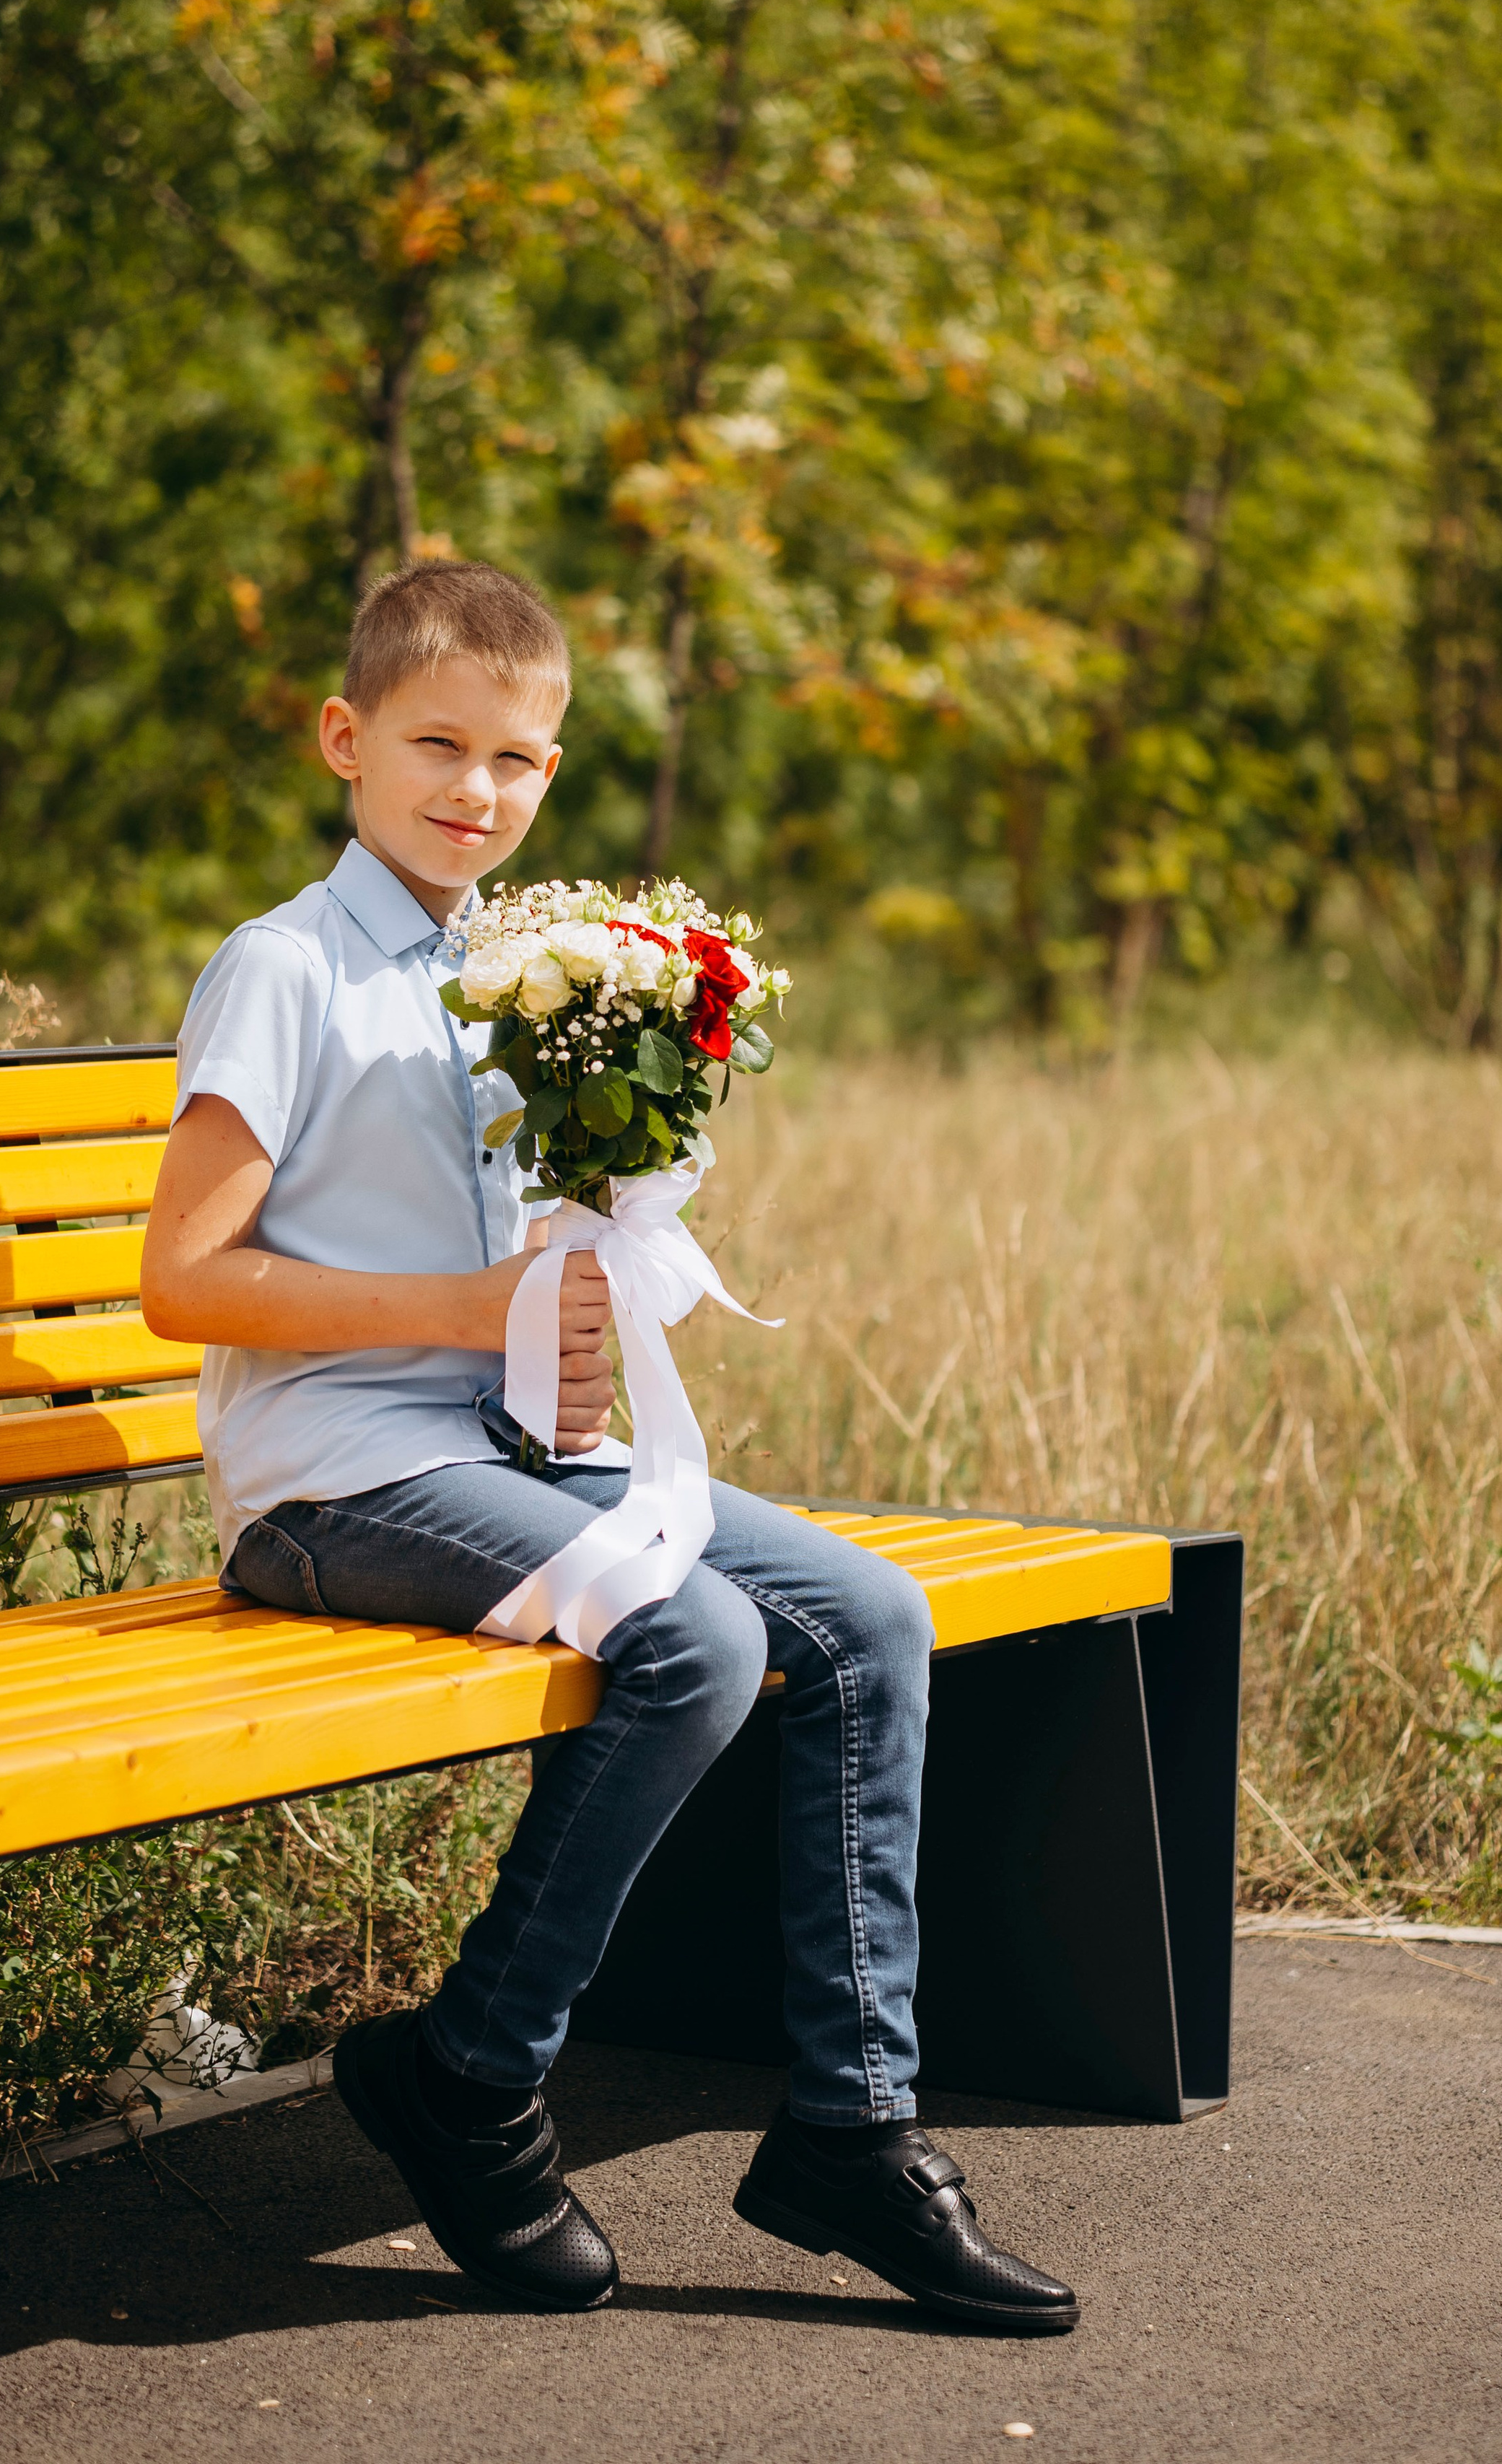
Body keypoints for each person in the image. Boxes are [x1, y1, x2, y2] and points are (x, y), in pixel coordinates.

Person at [141, 559, 1078, 2333]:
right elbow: (182, 1282)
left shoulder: (518, 979)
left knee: (871, 1618)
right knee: (696, 1638)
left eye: (516, 759)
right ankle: (472, 2073)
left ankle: (851, 2128)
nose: (475, 788)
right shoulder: (285, 969)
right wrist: (471, 1307)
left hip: (502, 1463)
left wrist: (568, 1330)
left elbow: (526, 1271)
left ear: (551, 772)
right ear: (344, 739)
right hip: (333, 1482)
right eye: (436, 744)